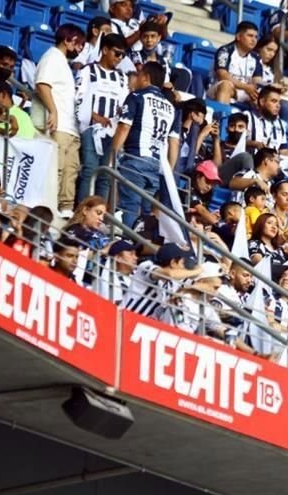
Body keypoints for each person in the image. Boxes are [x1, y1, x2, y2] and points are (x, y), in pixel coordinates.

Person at [110, 62, 182, 227]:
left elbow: (123, 128)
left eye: (139, 74)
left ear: (146, 77)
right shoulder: (171, 107)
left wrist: (111, 157)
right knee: (146, 213)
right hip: (157, 166)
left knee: (130, 207)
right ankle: (135, 247)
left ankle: (126, 244)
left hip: (135, 160)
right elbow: (174, 143)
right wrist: (167, 172)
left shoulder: (137, 97)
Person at [32, 23, 86, 216]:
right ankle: (48, 208)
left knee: (70, 171)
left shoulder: (62, 62)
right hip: (59, 125)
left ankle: (65, 209)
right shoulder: (52, 57)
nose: (80, 49)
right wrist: (53, 111)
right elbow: (42, 84)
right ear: (67, 40)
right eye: (79, 43)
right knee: (56, 169)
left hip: (71, 127)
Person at [75, 33, 129, 201]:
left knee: (106, 175)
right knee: (90, 169)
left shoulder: (122, 78)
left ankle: (99, 216)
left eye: (123, 55)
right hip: (90, 129)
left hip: (112, 133)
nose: (120, 58)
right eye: (117, 53)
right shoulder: (87, 71)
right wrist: (94, 116)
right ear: (105, 50)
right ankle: (83, 210)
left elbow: (124, 105)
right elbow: (77, 99)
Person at [121, 243, 201, 319]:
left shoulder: (171, 284)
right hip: (124, 317)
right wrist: (197, 271)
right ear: (173, 262)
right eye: (183, 263)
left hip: (141, 326)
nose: (185, 267)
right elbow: (170, 274)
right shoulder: (147, 265)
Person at [210, 21, 262, 104]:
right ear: (238, 36)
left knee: (264, 98)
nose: (254, 40)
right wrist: (245, 87)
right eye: (250, 36)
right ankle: (221, 115)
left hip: (243, 91)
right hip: (218, 87)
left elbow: (257, 81)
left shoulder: (256, 57)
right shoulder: (225, 51)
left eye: (256, 37)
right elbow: (222, 75)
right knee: (226, 85)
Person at [94, 239, 138, 303]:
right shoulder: (111, 278)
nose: (136, 258)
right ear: (118, 258)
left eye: (135, 254)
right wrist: (104, 251)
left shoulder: (136, 275)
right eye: (131, 254)